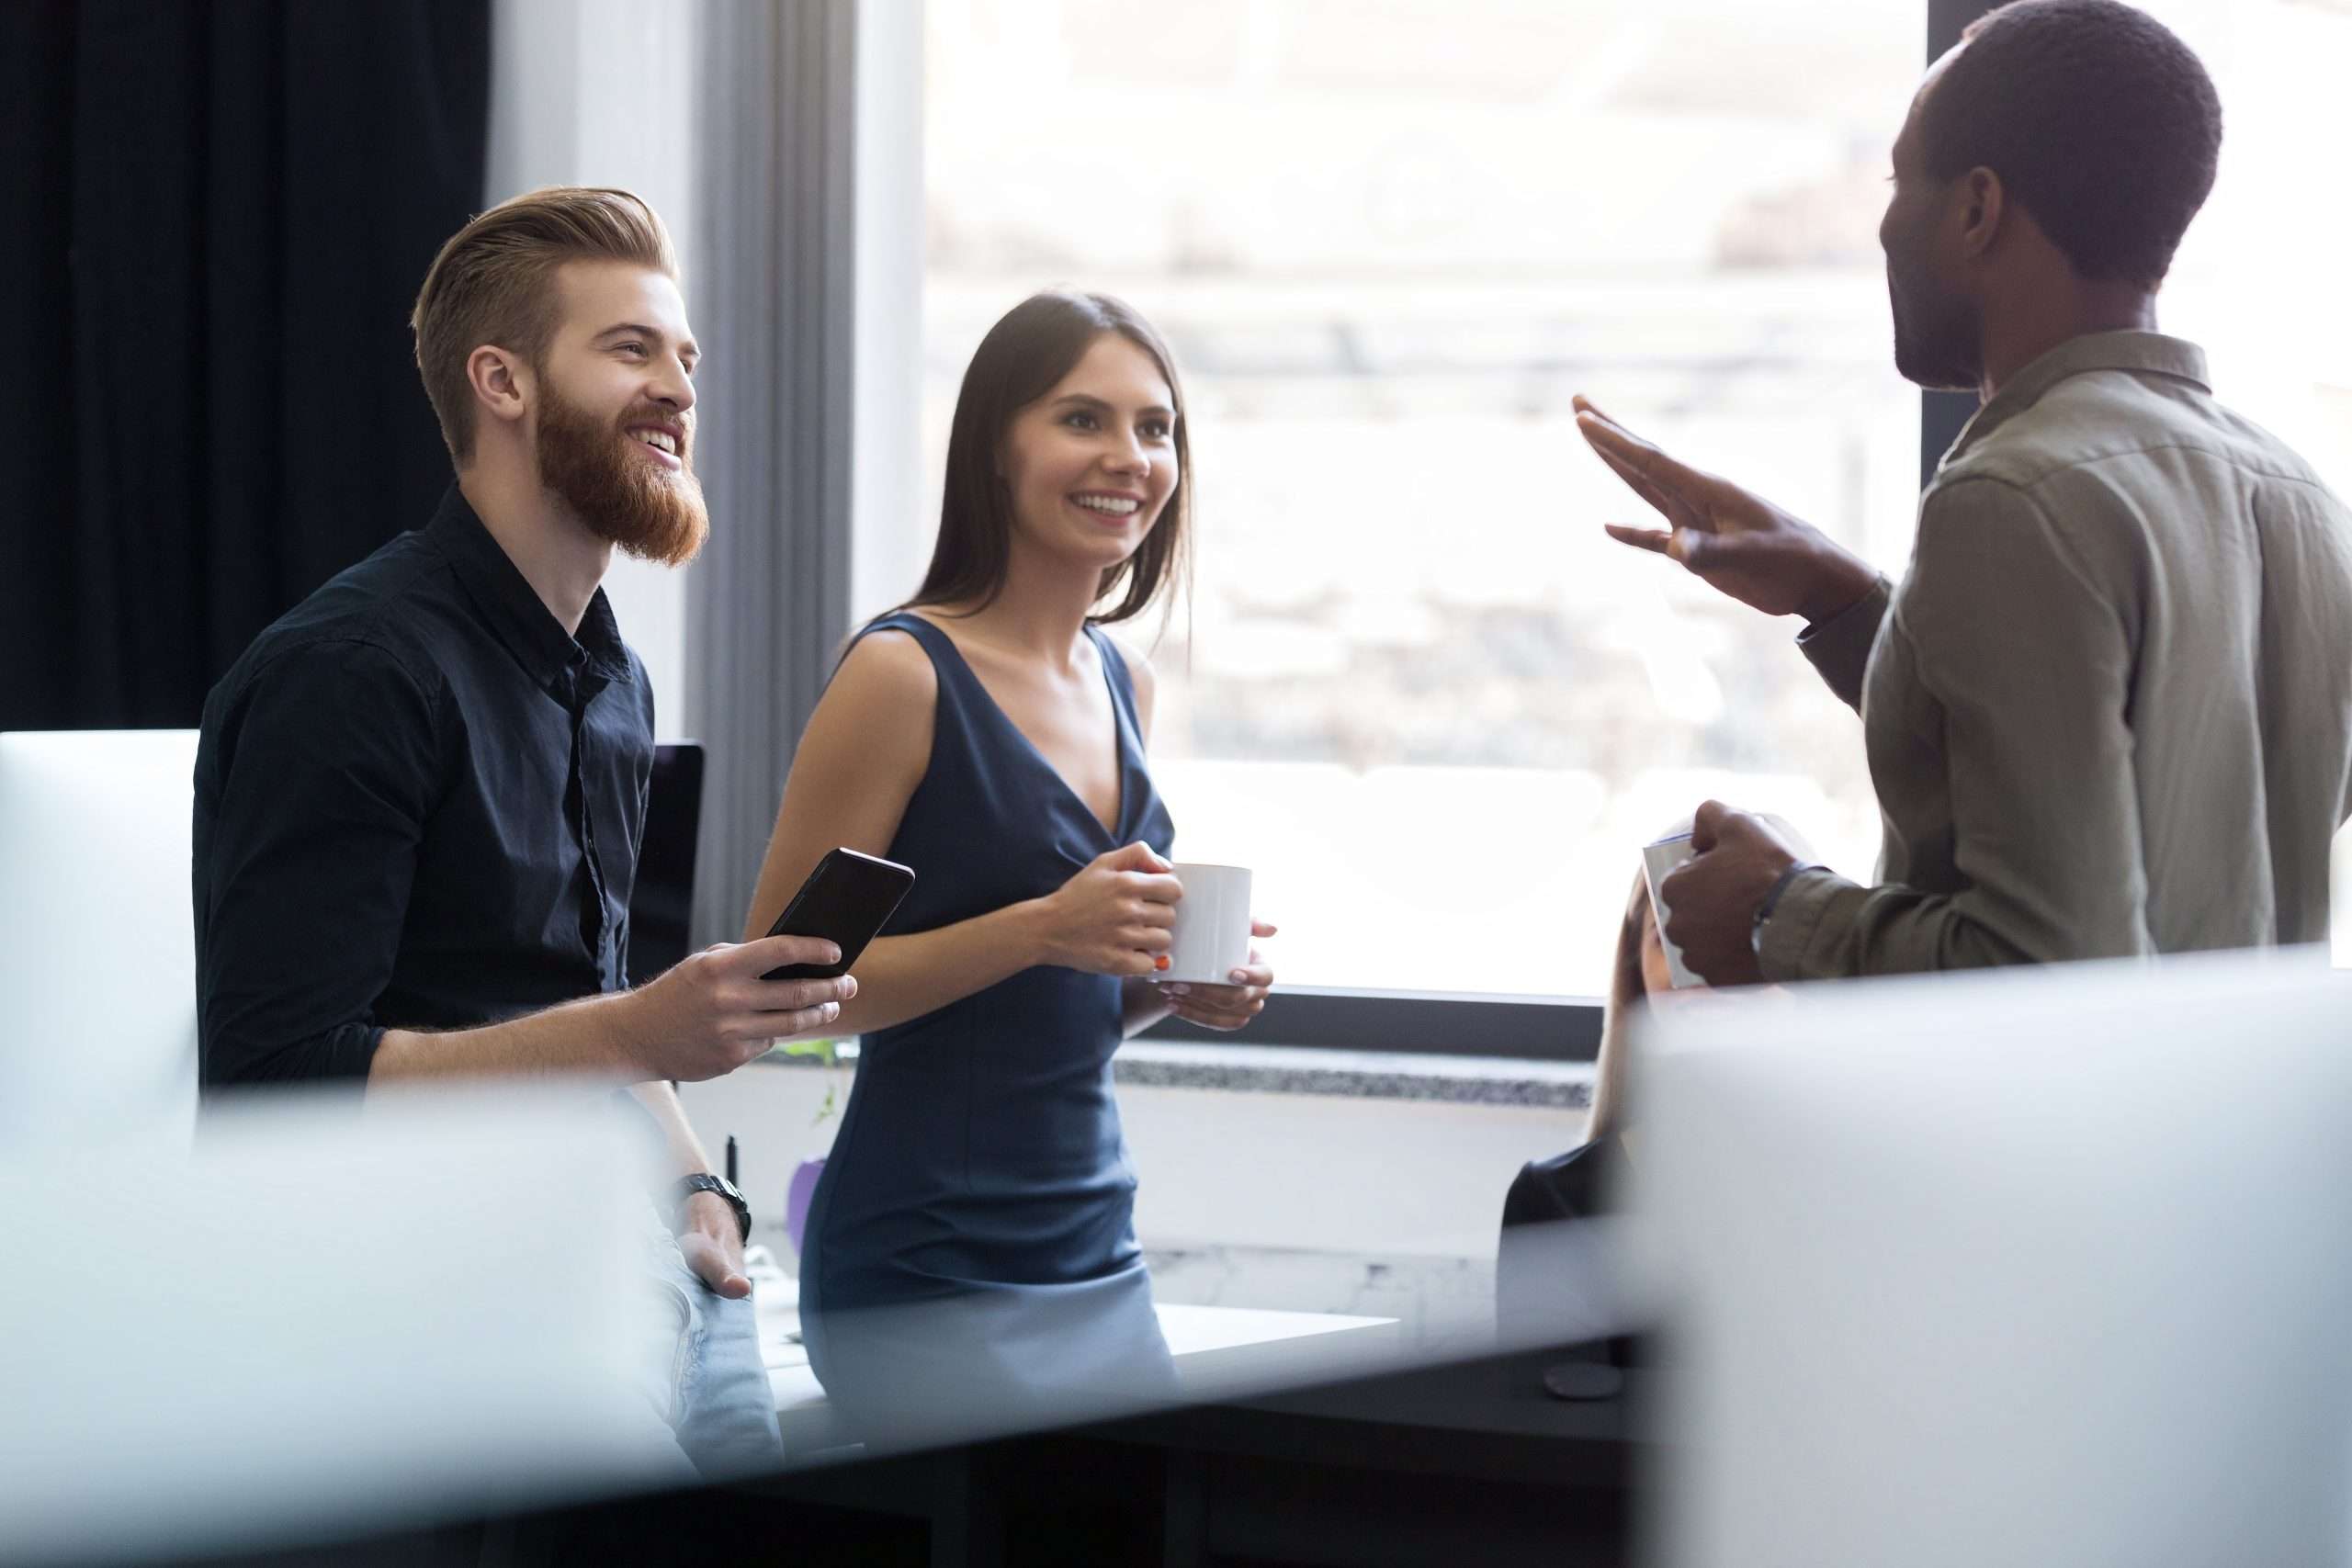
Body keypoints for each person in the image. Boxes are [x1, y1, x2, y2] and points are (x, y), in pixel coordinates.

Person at [194, 187, 853, 1481]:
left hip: (629, 1253)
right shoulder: (351, 672)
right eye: (630, 349)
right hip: (432, 1295)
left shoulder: (616, 682)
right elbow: (272, 1086)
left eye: (685, 358)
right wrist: (634, 1031)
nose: (677, 387)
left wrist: (697, 1201)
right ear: (501, 380)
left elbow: (594, 1013)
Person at [1577, 0, 2352, 987]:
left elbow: (2045, 966)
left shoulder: (2010, 500)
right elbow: (2124, 806)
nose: (1883, 223)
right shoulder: (2303, 503)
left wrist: (1779, 909)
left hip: (2028, 1136)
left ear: (1977, 209)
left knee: (1679, 865)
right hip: (2228, 1133)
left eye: (1903, 178)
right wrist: (1842, 601)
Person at [741, 290, 1276, 1416]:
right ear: (994, 447)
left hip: (1093, 1246)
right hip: (923, 1266)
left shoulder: (1122, 680)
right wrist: (1045, 927)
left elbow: (1061, 1001)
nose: (1127, 457)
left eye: (1155, 427)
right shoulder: (903, 673)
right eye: (1082, 419)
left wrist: (1173, 985)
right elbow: (783, 988)